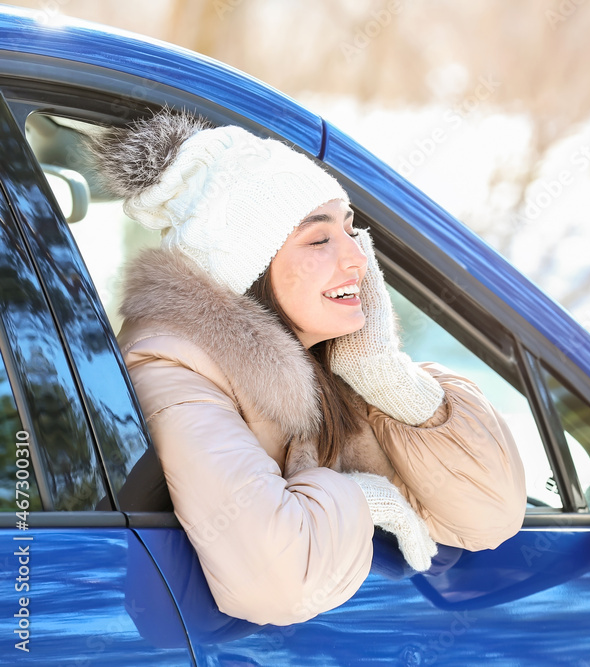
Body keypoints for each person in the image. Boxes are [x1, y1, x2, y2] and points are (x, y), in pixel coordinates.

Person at [88, 110, 526, 627]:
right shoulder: (173, 369)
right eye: (320, 240)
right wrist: (366, 499)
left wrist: (386, 375)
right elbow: (276, 583)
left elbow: (489, 516)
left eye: (351, 231)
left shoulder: (337, 365)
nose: (357, 260)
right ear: (244, 269)